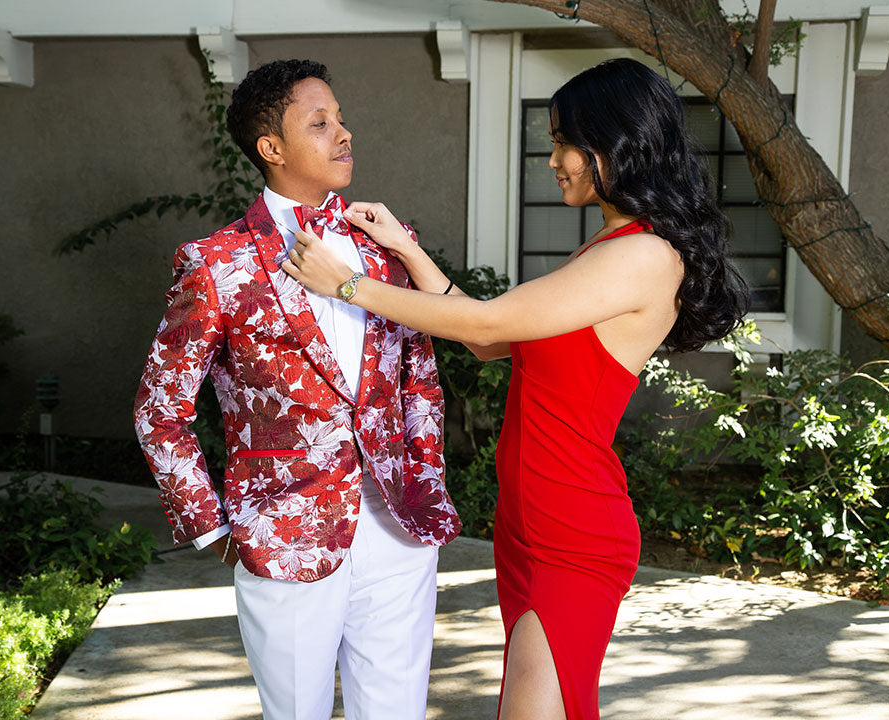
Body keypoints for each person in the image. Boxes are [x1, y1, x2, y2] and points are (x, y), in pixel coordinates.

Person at [282, 57, 750, 720]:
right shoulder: (607, 248)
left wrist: (349, 285)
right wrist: (408, 253)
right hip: (526, 526)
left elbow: (488, 318)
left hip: (575, 532)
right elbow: (489, 341)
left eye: (565, 143)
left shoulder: (644, 254)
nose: (553, 158)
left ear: (613, 147)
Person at [133, 58, 460, 720]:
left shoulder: (385, 248)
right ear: (272, 148)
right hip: (281, 534)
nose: (343, 135)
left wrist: (426, 479)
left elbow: (418, 383)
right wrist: (214, 529)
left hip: (399, 525)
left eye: (342, 120)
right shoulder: (216, 264)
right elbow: (159, 410)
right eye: (320, 123)